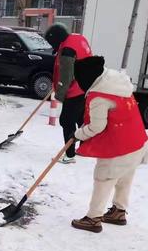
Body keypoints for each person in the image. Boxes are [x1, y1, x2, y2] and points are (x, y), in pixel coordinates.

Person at [71, 56, 148, 233]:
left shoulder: (100, 97)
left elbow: (97, 126)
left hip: (119, 147)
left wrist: (77, 134)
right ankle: (119, 211)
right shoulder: (118, 85)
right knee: (124, 179)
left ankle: (93, 218)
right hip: (137, 142)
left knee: (103, 178)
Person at [45, 23, 92, 164]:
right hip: (86, 87)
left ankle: (70, 155)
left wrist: (59, 92)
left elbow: (66, 77)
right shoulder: (77, 38)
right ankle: (85, 148)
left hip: (75, 91)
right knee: (81, 119)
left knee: (66, 121)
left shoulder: (67, 51)